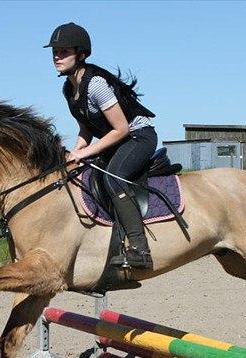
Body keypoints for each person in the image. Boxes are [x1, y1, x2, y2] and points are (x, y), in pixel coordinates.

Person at [45, 22, 157, 270]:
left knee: (114, 178)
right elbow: (86, 129)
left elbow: (121, 129)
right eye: (55, 51)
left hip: (138, 136)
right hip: (118, 139)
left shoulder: (95, 84)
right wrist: (75, 153)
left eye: (63, 51)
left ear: (81, 54)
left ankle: (140, 248)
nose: (56, 56)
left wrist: (85, 152)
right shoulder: (68, 88)